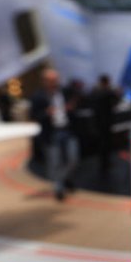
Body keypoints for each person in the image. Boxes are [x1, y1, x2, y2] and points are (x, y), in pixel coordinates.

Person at [30, 68, 79, 201]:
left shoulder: (65, 92)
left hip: (68, 130)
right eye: (51, 80)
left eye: (56, 79)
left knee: (73, 159)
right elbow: (34, 115)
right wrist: (47, 113)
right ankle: (59, 188)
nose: (54, 82)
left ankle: (64, 179)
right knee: (55, 162)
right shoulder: (38, 96)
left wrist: (71, 109)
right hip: (51, 133)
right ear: (44, 81)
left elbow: (76, 102)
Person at [90, 75, 121, 175]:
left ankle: (104, 163)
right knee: (106, 143)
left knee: (103, 144)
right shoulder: (108, 92)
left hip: (98, 122)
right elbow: (116, 100)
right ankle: (105, 164)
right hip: (106, 122)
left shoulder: (95, 91)